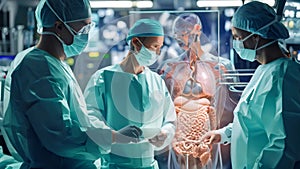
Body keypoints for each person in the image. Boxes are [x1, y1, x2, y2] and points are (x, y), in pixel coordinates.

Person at [1, 0, 141, 168]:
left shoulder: (54, 64)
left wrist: (101, 128)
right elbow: (61, 135)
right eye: (84, 27)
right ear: (59, 26)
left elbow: (75, 119)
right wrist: (113, 136)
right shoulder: (39, 68)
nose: (87, 34)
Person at [202, 1, 300, 169]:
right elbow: (252, 121)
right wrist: (224, 134)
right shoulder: (264, 70)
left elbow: (284, 144)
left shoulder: (283, 76)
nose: (236, 44)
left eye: (238, 37)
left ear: (256, 36)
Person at [84, 19, 177, 169]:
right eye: (154, 47)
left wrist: (165, 134)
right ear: (136, 42)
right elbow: (89, 117)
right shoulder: (103, 78)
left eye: (160, 47)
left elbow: (170, 119)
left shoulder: (156, 81)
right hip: (115, 165)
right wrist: (114, 136)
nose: (158, 53)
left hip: (149, 165)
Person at [157, 13, 237, 169]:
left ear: (197, 30)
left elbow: (232, 109)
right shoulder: (169, 68)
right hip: (179, 137)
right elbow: (161, 108)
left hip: (212, 137)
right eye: (177, 35)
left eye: (184, 34)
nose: (180, 39)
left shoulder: (221, 67)